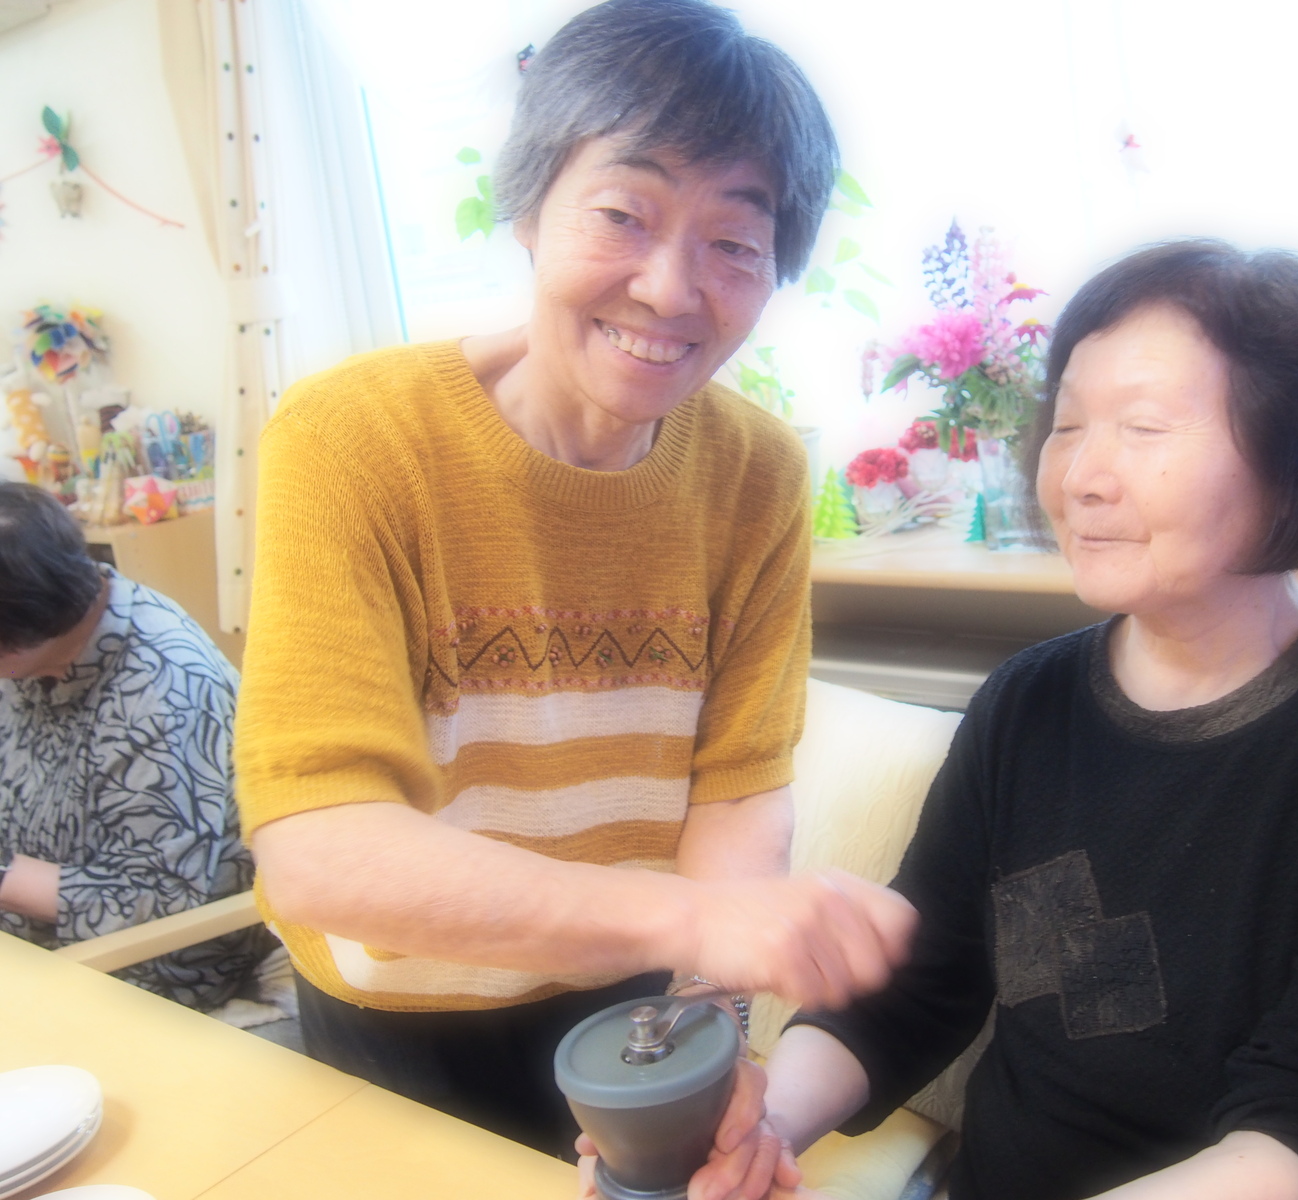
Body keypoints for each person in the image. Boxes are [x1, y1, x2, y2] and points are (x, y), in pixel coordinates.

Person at [690, 241, 1298, 1200]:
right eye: (1070, 424)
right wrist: (761, 1128)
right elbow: (916, 985)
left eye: (1144, 428)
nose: (1081, 476)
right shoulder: (1025, 703)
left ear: (1296, 456)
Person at [235, 0, 913, 1159]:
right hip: (401, 1019)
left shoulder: (755, 475)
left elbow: (736, 791)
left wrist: (712, 1022)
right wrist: (696, 921)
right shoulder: (352, 440)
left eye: (733, 245)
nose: (669, 287)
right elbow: (319, 841)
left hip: (636, 1008)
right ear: (528, 207)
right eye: (623, 214)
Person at [0, 481, 268, 1010]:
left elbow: (152, 899)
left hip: (150, 956)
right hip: (34, 909)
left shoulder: (165, 689)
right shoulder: (40, 652)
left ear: (21, 627)